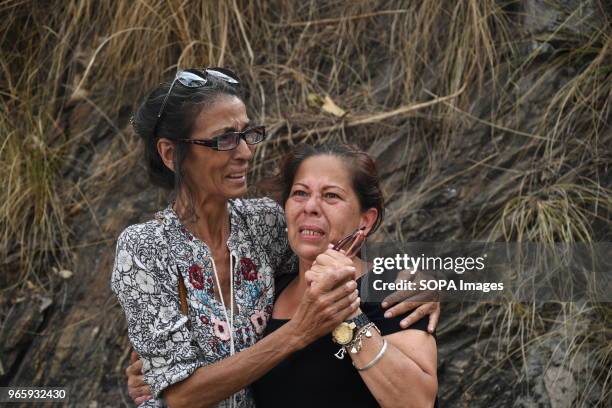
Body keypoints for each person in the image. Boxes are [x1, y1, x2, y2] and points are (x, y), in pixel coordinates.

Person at [112, 68, 440, 408]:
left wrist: (418, 275)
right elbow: (179, 396)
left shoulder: (264, 222)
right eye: (224, 139)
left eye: (247, 134)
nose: (245, 152)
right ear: (170, 153)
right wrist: (298, 332)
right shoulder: (144, 249)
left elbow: (333, 247)